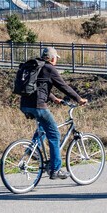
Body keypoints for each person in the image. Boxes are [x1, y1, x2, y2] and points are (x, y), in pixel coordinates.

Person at [20, 46, 88, 180]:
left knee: (43, 127)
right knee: (55, 135)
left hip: (25, 105)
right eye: (56, 58)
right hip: (38, 106)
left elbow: (39, 86)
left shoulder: (37, 67)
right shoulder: (50, 68)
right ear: (52, 58)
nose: (56, 60)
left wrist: (54, 98)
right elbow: (63, 86)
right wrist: (79, 99)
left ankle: (33, 149)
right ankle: (55, 169)